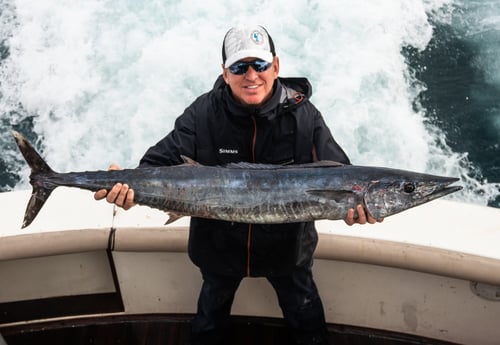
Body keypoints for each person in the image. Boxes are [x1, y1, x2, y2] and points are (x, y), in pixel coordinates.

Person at [95, 24, 381, 345]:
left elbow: (342, 176)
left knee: (307, 322)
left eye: (259, 65)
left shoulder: (305, 117)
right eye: (239, 67)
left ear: (276, 66)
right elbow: (154, 167)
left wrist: (358, 207)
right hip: (219, 251)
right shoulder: (202, 114)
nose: (251, 75)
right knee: (209, 323)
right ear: (225, 72)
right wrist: (128, 187)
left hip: (287, 252)